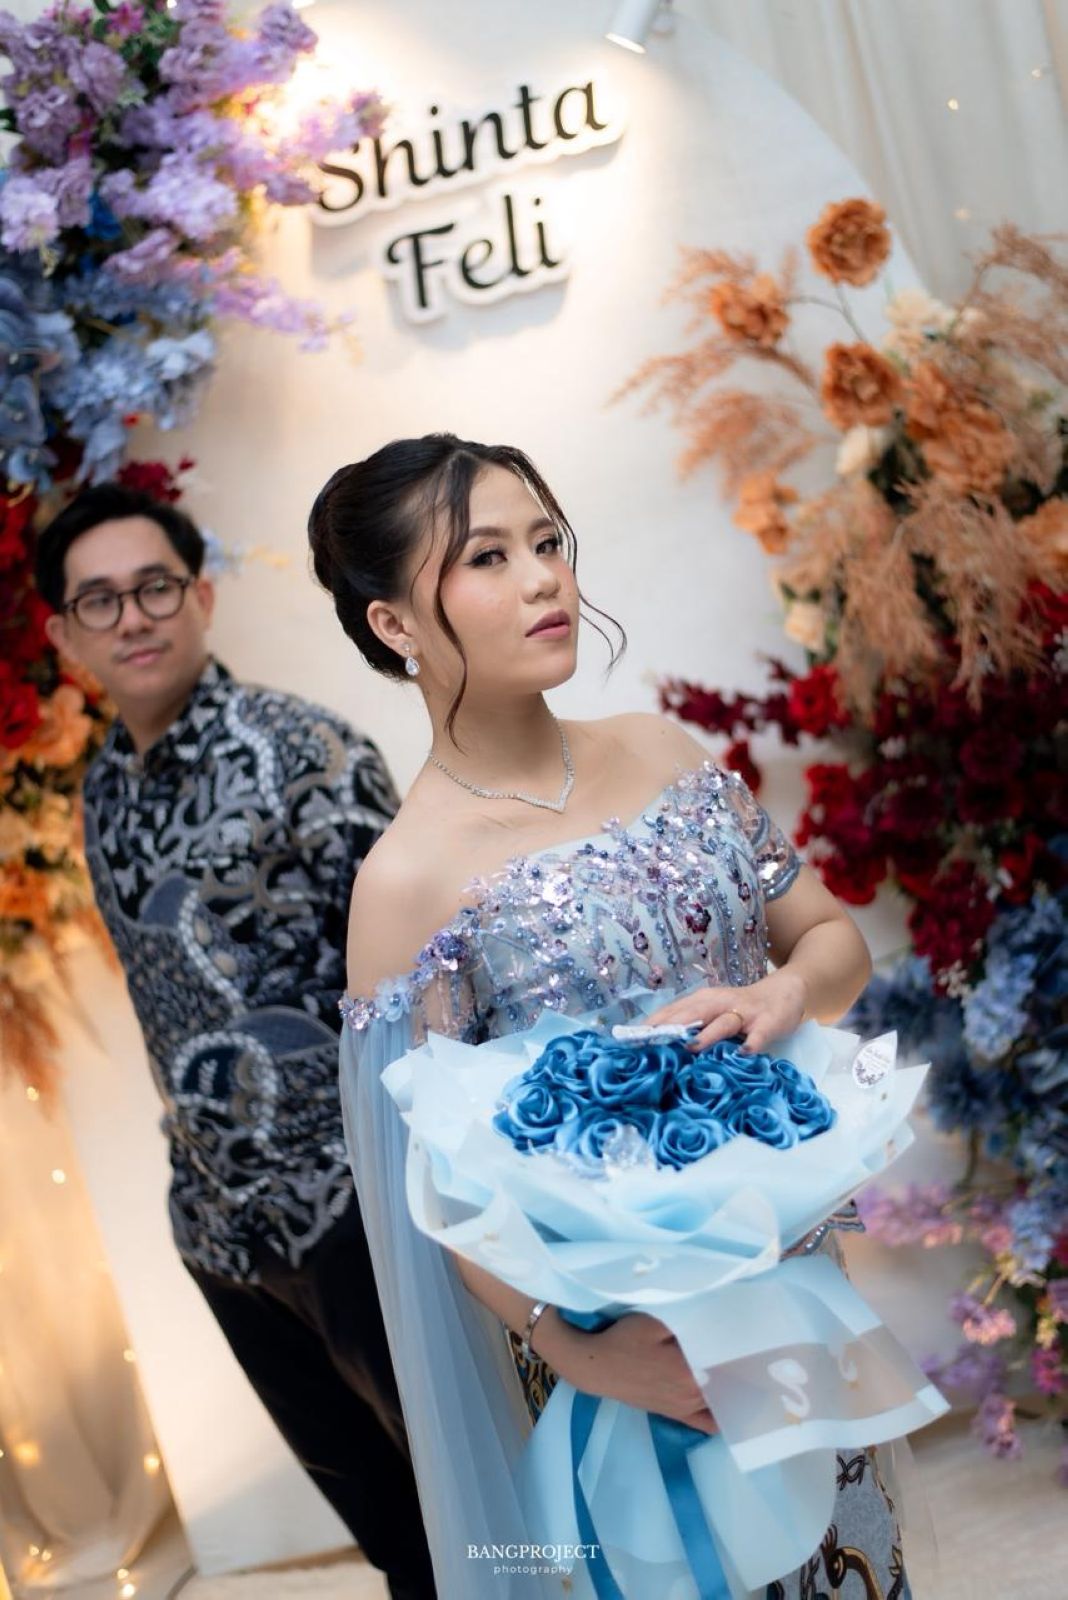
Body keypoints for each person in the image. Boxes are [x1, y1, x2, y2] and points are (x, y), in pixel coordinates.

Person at [308, 433, 911, 1599]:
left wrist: (782, 992)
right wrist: (577, 1348)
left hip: (792, 1294)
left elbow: (835, 943)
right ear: (393, 623)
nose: (545, 578)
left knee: (855, 1570)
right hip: (630, 1349)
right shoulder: (406, 881)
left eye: (548, 541)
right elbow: (441, 1194)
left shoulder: (663, 751)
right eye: (488, 557)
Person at [35, 484, 436, 1600]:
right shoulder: (100, 791)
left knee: (479, 1499)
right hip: (221, 1233)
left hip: (356, 1210)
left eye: (155, 587)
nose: (133, 617)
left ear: (201, 597)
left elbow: (420, 981)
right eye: (100, 601)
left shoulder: (305, 749)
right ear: (66, 637)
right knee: (390, 1533)